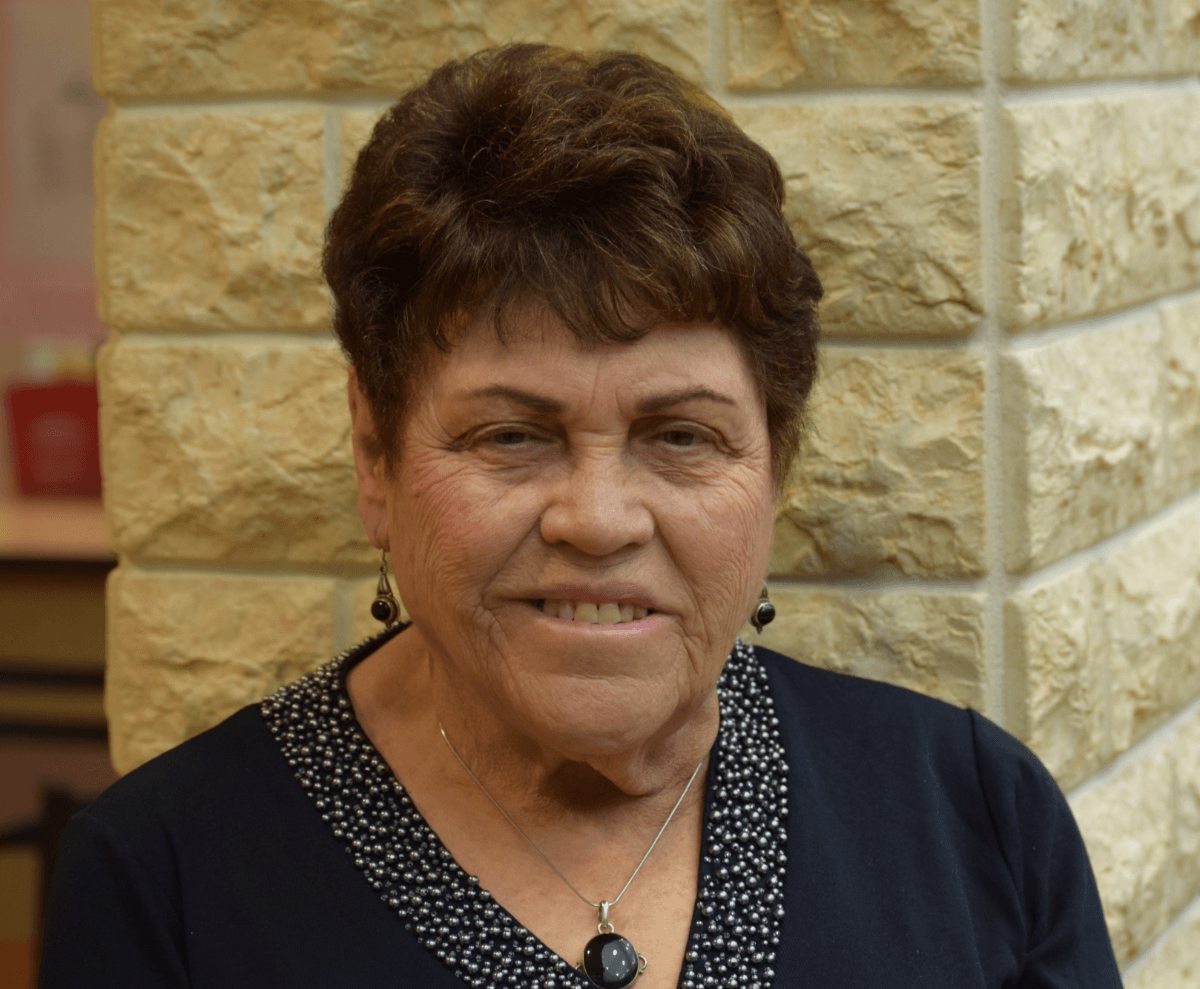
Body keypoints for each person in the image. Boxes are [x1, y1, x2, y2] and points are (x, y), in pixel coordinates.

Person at [41, 44, 1121, 989]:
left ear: (775, 463)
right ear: (376, 455)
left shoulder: (976, 813)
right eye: (512, 435)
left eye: (681, 436)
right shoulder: (164, 882)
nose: (599, 520)